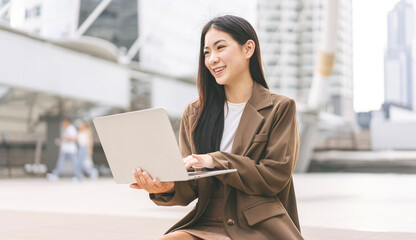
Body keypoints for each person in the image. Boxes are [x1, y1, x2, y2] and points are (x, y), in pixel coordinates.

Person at [130, 15, 303, 240]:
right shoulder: (195, 113)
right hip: (206, 221)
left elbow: (275, 175)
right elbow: (191, 184)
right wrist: (166, 186)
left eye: (220, 48)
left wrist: (216, 159)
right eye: (207, 53)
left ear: (248, 48)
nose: (212, 59)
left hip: (257, 227)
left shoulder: (279, 108)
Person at [47, 117, 83, 182]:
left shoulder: (71, 128)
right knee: (60, 163)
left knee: (75, 164)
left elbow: (74, 138)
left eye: (64, 122)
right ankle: (55, 175)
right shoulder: (66, 129)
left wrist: (67, 138)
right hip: (65, 150)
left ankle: (79, 177)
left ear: (67, 122)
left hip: (71, 150)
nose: (63, 123)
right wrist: (61, 141)